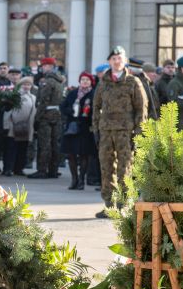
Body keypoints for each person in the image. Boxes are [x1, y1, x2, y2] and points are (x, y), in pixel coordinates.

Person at [92, 46, 148, 217]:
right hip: (106, 131)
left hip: (126, 131)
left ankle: (125, 204)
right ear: (109, 61)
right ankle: (110, 204)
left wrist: (139, 131)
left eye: (120, 58)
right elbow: (96, 106)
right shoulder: (103, 83)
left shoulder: (133, 82)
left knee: (125, 168)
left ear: (125, 61)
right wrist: (96, 129)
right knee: (106, 167)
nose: (117, 61)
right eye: (114, 59)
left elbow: (141, 109)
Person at [29, 57, 66, 178]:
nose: (42, 68)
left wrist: (37, 117)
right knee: (55, 143)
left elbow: (43, 101)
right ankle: (53, 170)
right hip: (57, 115)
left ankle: (42, 170)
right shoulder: (60, 81)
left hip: (46, 115)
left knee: (44, 143)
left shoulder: (47, 82)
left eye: (44, 66)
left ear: (49, 66)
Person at [60, 72, 97, 190]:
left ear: (91, 82)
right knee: (70, 154)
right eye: (83, 80)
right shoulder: (73, 93)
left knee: (84, 155)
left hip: (85, 128)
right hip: (71, 127)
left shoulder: (93, 94)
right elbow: (63, 106)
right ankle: (74, 179)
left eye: (87, 80)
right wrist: (70, 111)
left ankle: (81, 180)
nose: (85, 82)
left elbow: (96, 110)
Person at [1, 76, 36, 176]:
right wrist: (7, 124)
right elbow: (8, 111)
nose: (26, 86)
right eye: (24, 84)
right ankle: (8, 168)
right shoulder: (14, 95)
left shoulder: (33, 97)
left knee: (22, 149)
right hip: (13, 126)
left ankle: (19, 169)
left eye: (28, 85)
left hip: (26, 127)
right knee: (11, 149)